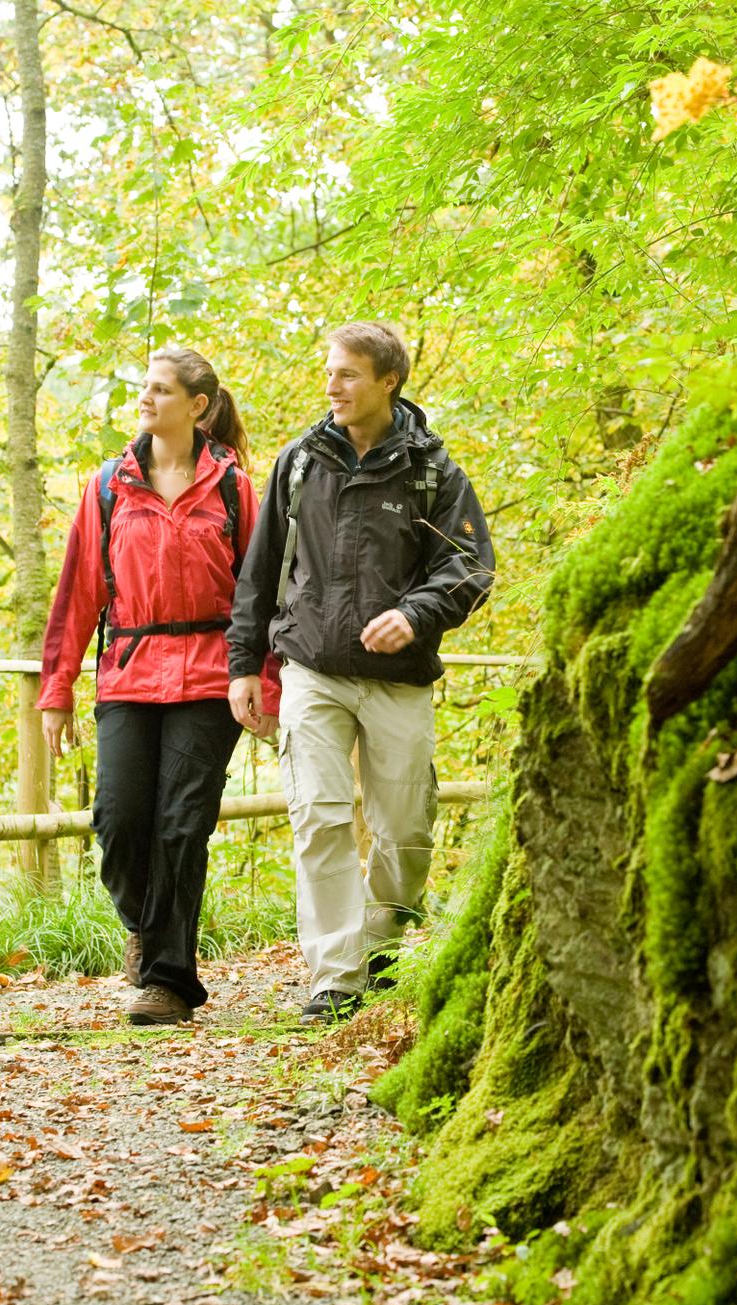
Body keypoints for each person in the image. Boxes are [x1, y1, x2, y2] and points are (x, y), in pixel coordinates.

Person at [226, 321, 495, 1025]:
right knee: (318, 816)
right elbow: (258, 574)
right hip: (311, 667)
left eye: (347, 374)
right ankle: (335, 977)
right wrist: (244, 664)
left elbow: (469, 566)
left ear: (388, 382)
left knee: (405, 829)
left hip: (398, 676)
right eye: (329, 372)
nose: (331, 386)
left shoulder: (433, 471)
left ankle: (380, 946)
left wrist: (417, 612)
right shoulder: (299, 464)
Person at [38, 345, 274, 1026]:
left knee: (182, 823)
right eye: (145, 388)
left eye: (161, 390)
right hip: (130, 672)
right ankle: (147, 925)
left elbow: (259, 593)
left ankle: (168, 979)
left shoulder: (233, 486)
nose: (146, 399)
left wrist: (262, 679)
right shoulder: (110, 485)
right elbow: (78, 592)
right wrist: (58, 690)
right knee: (118, 820)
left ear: (198, 407)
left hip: (210, 676)